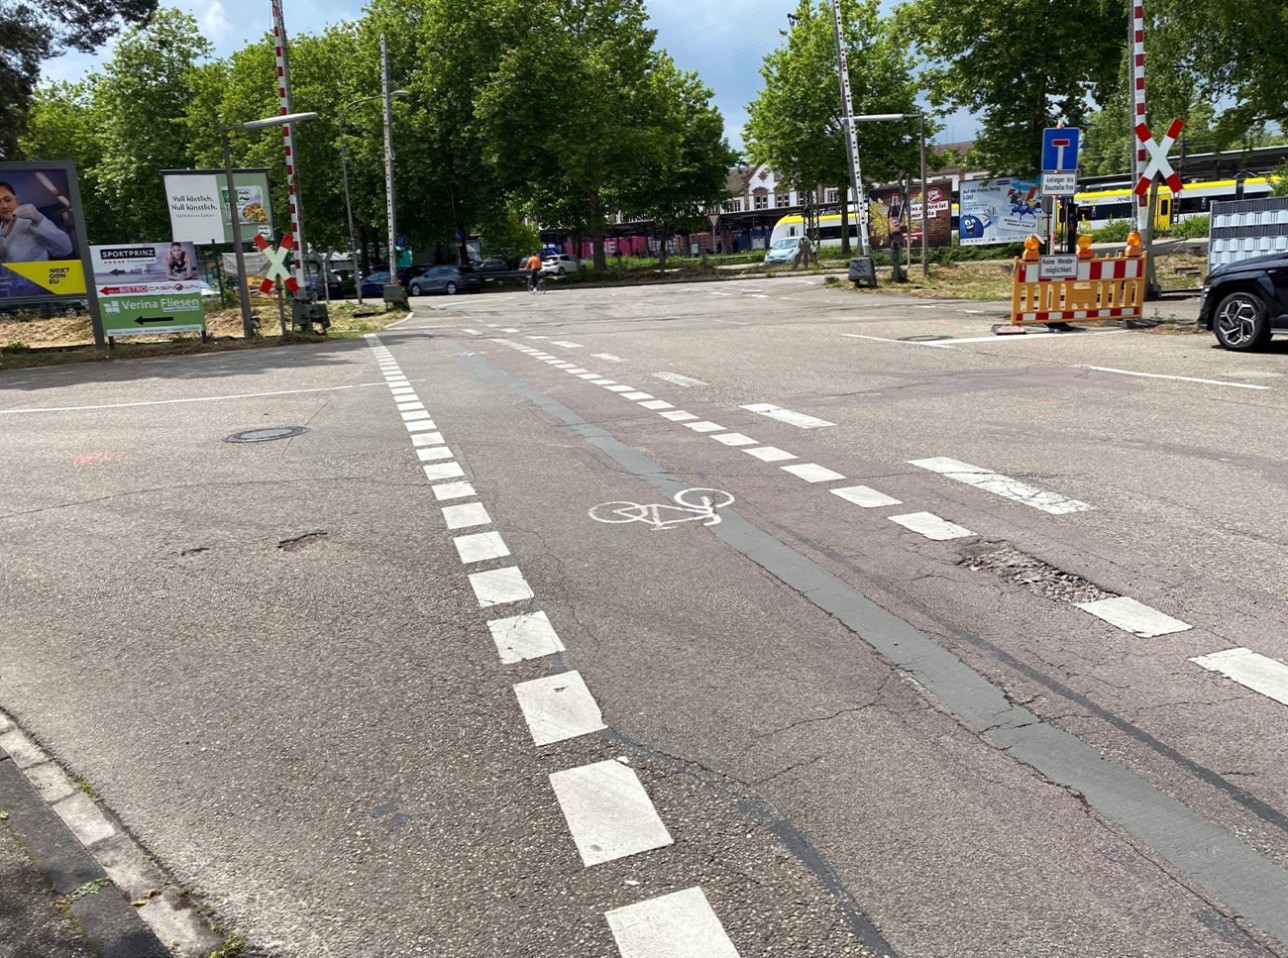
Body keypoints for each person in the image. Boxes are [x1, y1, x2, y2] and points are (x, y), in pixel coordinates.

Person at [0, 181, 73, 264]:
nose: (4, 206)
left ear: (16, 200)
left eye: (8, 200)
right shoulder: (1, 227)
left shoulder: (31, 222)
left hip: (37, 275)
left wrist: (39, 220)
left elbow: (66, 249)